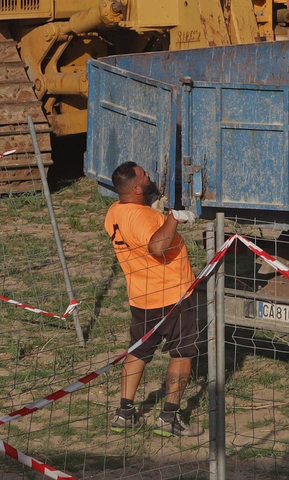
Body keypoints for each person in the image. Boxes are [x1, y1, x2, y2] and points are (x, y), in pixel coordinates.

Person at [104, 161, 200, 437]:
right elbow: (157, 247)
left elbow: (138, 232)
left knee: (138, 352)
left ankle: (124, 412)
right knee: (182, 353)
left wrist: (154, 214)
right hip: (171, 295)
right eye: (145, 175)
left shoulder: (114, 212)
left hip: (141, 296)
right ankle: (169, 417)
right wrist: (172, 219)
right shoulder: (144, 218)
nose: (149, 176)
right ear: (136, 188)